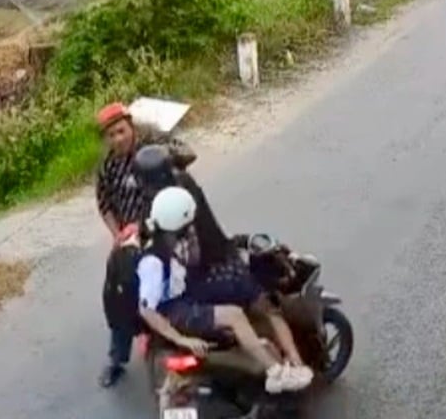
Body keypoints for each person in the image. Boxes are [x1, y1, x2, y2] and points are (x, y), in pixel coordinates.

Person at [138, 187, 312, 419]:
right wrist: (181, 337)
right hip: (178, 313)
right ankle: (275, 372)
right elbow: (147, 309)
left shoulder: (166, 241)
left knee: (172, 379)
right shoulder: (153, 262)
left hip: (181, 305)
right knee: (234, 315)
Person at [132, 146, 313, 378]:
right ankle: (295, 365)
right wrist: (236, 244)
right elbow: (207, 234)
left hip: (184, 291)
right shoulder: (184, 188)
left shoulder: (149, 211)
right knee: (267, 306)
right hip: (213, 270)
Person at [95, 102, 195, 388]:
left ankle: (180, 344)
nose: (118, 139)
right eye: (111, 135)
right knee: (119, 297)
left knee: (173, 289)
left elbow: (188, 157)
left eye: (122, 131)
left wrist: (161, 140)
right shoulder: (107, 167)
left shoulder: (151, 155)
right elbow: (104, 205)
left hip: (162, 233)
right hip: (129, 241)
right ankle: (117, 358)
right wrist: (118, 235)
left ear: (132, 127)